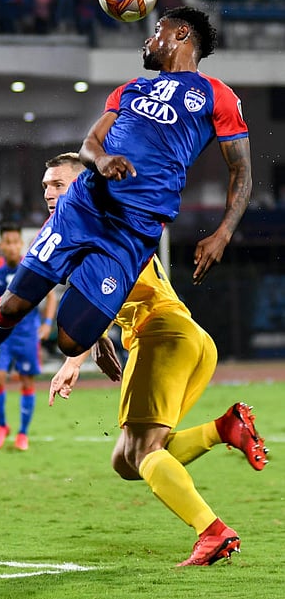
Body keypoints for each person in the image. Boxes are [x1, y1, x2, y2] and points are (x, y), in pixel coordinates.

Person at [0, 6, 252, 423]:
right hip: (84, 207)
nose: (147, 39)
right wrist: (103, 161)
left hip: (133, 233)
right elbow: (89, 145)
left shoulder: (217, 95)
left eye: (155, 31)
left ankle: (96, 325)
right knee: (14, 303)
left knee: (71, 342)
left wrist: (223, 233)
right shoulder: (128, 91)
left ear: (182, 34)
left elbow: (242, 172)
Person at [44, 152, 268, 567]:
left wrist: (74, 358)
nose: (48, 193)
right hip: (187, 338)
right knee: (127, 461)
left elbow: (110, 279)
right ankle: (225, 428)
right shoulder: (100, 219)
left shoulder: (95, 219)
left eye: (58, 184)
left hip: (161, 335)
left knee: (143, 451)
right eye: (46, 186)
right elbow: (103, 289)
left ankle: (212, 531)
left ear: (82, 185)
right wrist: (95, 339)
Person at [0, 222, 57, 451]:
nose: (12, 246)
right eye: (7, 242)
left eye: (15, 241)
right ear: (1, 244)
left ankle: (23, 433)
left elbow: (51, 296)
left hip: (27, 335)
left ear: (21, 243)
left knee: (27, 381)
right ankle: (2, 426)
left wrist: (47, 323)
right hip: (1, 335)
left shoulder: (32, 265)